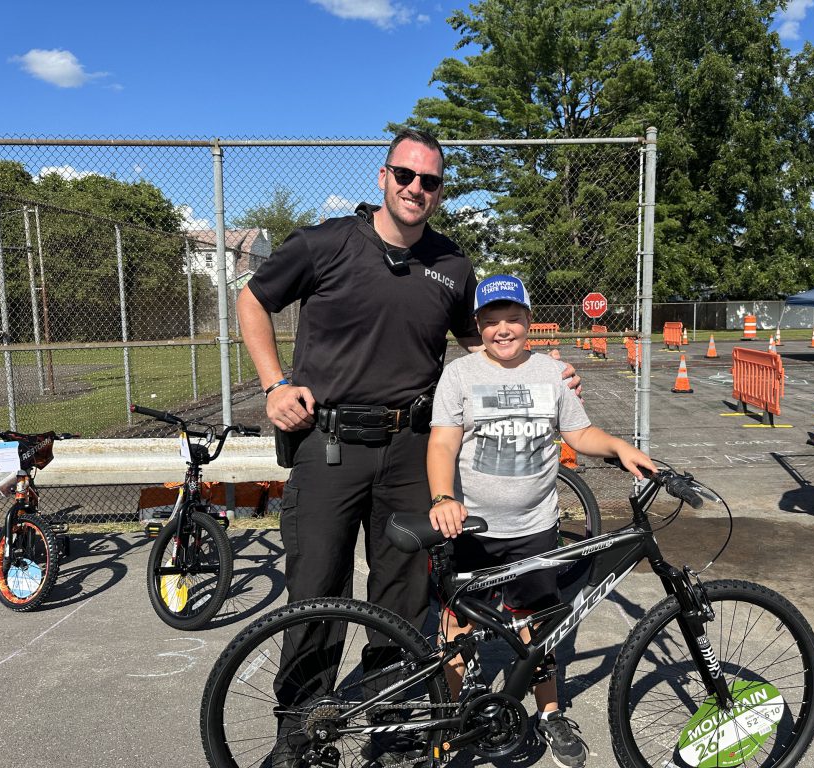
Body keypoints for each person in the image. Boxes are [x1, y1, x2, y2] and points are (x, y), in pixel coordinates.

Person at [236, 130, 578, 766]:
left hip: (410, 448)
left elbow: (485, 347)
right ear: (383, 177)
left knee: (403, 594)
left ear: (440, 191)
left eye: (430, 181)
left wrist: (541, 371)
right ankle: (301, 725)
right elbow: (252, 299)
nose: (416, 188)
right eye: (405, 175)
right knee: (317, 585)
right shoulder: (326, 242)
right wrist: (274, 383)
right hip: (328, 443)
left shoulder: (451, 266)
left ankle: (393, 716)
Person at [427, 274, 656, 768]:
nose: (502, 330)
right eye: (491, 322)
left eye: (512, 319)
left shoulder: (551, 373)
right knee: (456, 621)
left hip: (535, 527)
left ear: (530, 322)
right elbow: (443, 441)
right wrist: (444, 496)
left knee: (539, 625)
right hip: (470, 529)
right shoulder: (459, 375)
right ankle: (455, 708)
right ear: (478, 326)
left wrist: (618, 446)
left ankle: (550, 713)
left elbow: (580, 432)